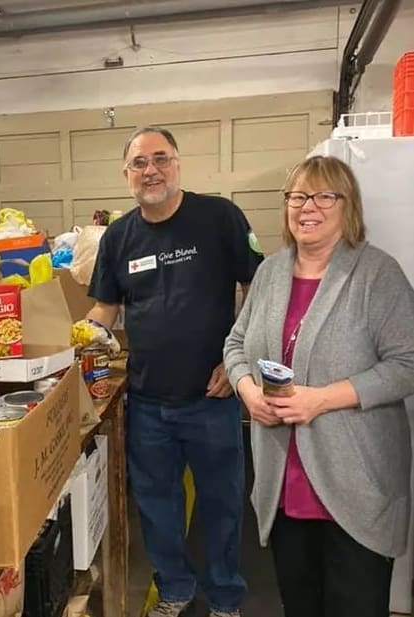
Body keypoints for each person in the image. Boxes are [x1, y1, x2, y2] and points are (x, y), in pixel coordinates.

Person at [223, 155, 414, 617]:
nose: (308, 206)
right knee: (300, 604)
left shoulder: (376, 274)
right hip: (284, 487)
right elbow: (236, 343)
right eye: (298, 196)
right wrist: (248, 391)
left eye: (325, 195)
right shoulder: (270, 272)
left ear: (347, 206)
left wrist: (321, 401)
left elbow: (407, 362)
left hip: (356, 483)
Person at [87, 126, 263, 617]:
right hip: (147, 402)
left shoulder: (219, 217)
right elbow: (105, 309)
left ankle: (226, 599)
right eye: (140, 163)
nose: (151, 170)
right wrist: (79, 340)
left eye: (160, 159)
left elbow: (256, 290)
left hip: (212, 397)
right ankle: (175, 591)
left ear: (178, 163)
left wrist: (236, 360)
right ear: (126, 175)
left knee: (222, 507)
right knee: (157, 509)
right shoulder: (119, 236)